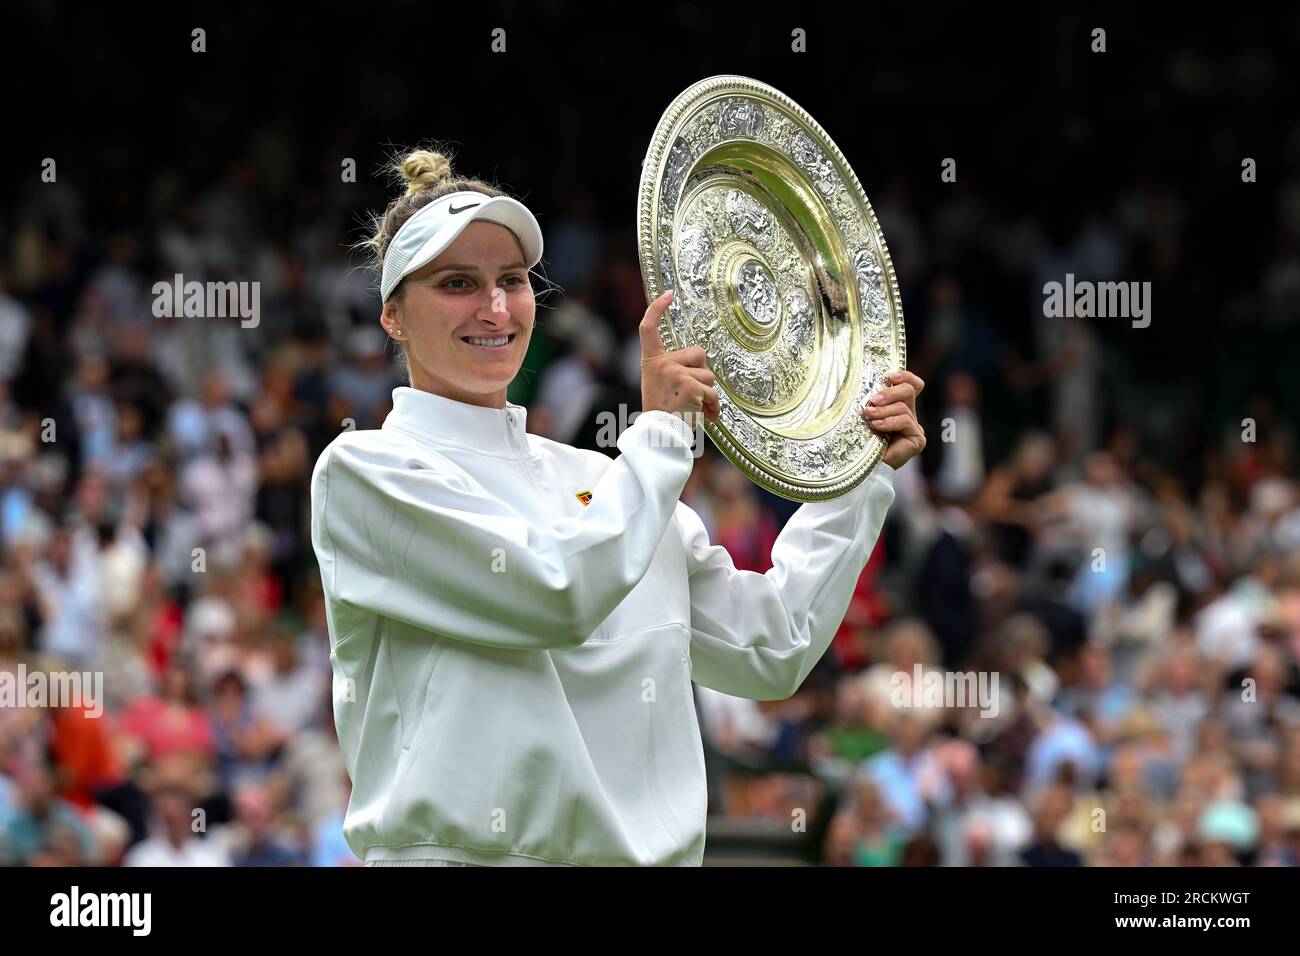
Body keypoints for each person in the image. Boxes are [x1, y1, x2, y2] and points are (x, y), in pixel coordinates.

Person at [309, 147, 927, 866]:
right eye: (457, 283)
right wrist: (661, 435)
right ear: (392, 317)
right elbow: (557, 591)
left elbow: (770, 646)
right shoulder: (365, 471)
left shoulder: (612, 481)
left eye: (512, 280)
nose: (496, 308)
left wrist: (859, 477)